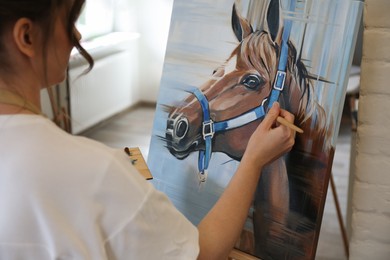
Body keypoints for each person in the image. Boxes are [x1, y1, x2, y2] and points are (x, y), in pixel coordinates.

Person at [0, 0, 296, 259]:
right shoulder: (97, 172)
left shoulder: (91, 169)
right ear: (26, 36)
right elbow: (203, 254)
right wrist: (255, 160)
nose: (76, 34)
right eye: (68, 21)